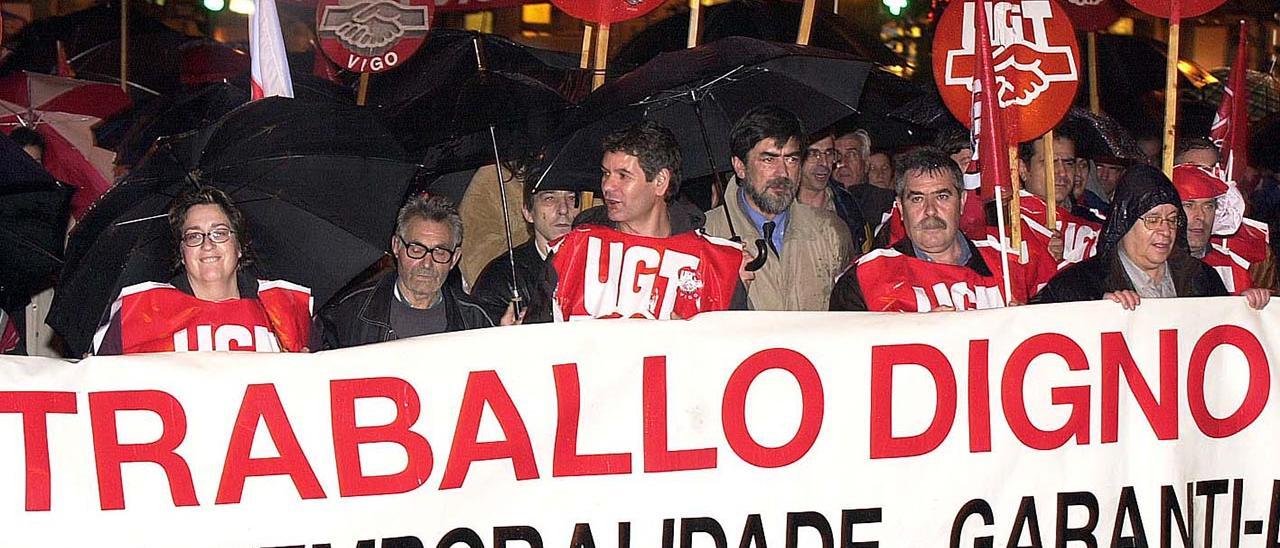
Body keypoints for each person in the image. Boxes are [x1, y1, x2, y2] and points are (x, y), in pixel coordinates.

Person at [550, 121, 746, 320]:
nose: (608, 186)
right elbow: (538, 332)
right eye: (606, 173)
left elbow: (736, 346)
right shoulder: (576, 249)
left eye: (623, 176)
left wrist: (693, 341)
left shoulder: (713, 265)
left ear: (660, 182)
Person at [94, 187, 313, 354]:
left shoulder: (285, 307)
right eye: (194, 236)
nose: (207, 245)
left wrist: (309, 369)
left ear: (239, 247)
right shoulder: (139, 313)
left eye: (219, 233)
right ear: (182, 252)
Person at [830, 148, 1035, 311]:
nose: (930, 211)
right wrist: (921, 334)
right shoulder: (866, 276)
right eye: (917, 199)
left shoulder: (1009, 266)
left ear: (962, 201)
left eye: (942, 197)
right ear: (901, 208)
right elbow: (847, 354)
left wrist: (1026, 324)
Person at [703, 107, 851, 310]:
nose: (782, 173)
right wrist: (729, 291)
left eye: (791, 159)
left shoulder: (830, 231)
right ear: (740, 167)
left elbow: (849, 320)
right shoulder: (707, 237)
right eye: (768, 159)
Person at [1032, 165, 1230, 307]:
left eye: (1172, 220)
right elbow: (1037, 331)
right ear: (1125, 222)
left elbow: (1225, 333)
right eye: (1152, 220)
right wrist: (1092, 311)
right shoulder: (1079, 285)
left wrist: (1245, 307)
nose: (1165, 231)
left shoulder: (1203, 279)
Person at [314, 195, 497, 349]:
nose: (427, 263)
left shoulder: (476, 322)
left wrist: (508, 343)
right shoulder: (347, 316)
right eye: (416, 249)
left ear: (454, 258)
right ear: (396, 246)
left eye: (440, 252)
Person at [472, 175, 580, 324]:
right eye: (549, 198)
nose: (563, 209)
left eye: (571, 198)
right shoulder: (501, 278)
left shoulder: (599, 264)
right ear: (528, 212)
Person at [1172, 164, 1271, 308]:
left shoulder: (1235, 267)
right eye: (1188, 205)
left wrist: (1250, 303)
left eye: (1208, 206)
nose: (1200, 216)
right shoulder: (1153, 265)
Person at [1016, 130, 1101, 263]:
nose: (1062, 172)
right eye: (1050, 163)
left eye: (1069, 163)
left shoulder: (1095, 229)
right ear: (1022, 169)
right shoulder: (1007, 225)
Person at [794, 129, 867, 253]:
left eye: (829, 153)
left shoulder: (848, 204)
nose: (824, 162)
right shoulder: (781, 205)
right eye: (813, 153)